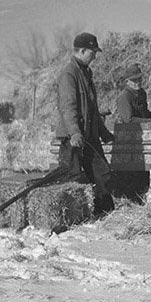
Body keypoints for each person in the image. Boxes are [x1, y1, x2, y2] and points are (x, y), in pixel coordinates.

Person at [54, 32, 115, 215]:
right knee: (72, 180)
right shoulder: (69, 75)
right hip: (73, 137)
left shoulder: (87, 74)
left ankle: (103, 213)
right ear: (81, 50)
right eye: (92, 51)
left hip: (89, 135)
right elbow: (68, 106)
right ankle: (68, 220)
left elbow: (93, 109)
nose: (95, 55)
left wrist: (104, 133)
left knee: (103, 173)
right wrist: (74, 133)